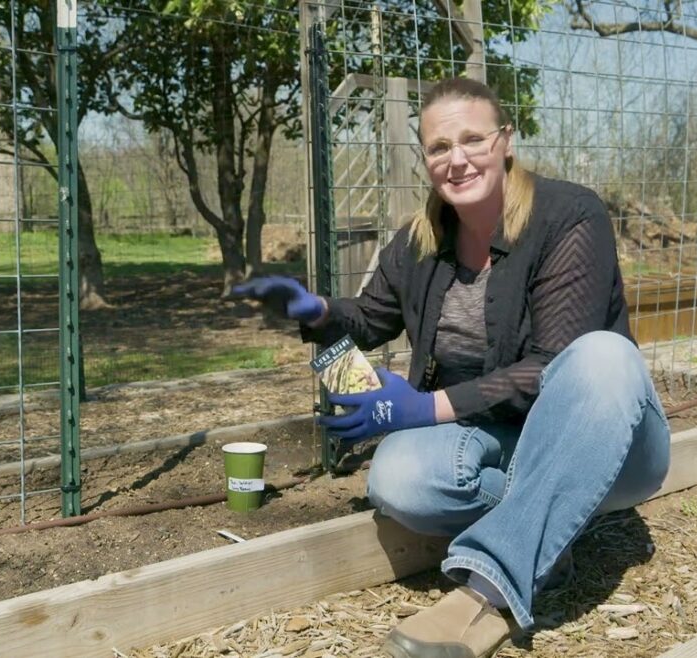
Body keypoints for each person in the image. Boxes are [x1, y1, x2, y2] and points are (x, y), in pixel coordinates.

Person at [233, 76, 670, 658]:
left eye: (473, 140)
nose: (457, 159)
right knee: (398, 480)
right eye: (439, 147)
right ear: (425, 157)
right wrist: (315, 310)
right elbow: (369, 316)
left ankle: (487, 593)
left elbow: (550, 365)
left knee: (602, 355)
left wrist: (423, 407)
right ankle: (548, 528)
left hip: (608, 441)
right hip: (500, 439)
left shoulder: (568, 216)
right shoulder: (420, 240)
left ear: (505, 141)